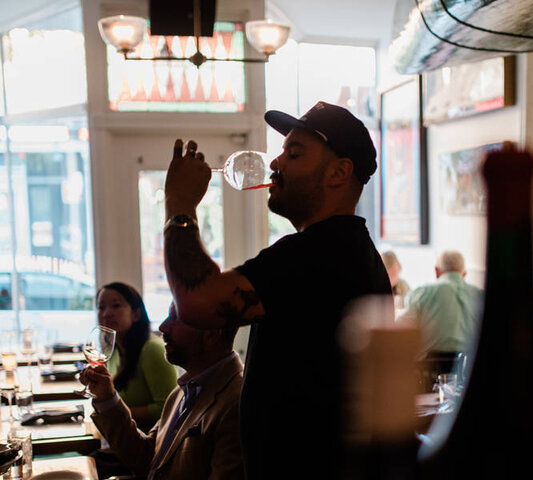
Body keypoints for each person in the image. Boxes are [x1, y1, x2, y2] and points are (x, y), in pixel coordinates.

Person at [163, 101, 392, 479]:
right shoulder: (350, 250)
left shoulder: (319, 253)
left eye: (294, 154)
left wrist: (180, 205)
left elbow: (199, 301)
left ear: (339, 172)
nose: (275, 163)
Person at [81, 303, 244, 480]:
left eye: (176, 318)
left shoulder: (238, 404)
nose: (162, 327)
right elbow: (146, 457)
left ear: (211, 334)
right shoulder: (185, 389)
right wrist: (107, 398)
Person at [96, 282, 177, 432]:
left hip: (150, 439)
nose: (106, 314)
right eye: (101, 307)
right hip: (123, 434)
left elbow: (168, 409)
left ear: (136, 314)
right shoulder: (113, 350)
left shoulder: (152, 349)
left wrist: (112, 413)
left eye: (116, 305)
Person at [397, 251, 483, 361]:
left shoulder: (421, 293)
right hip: (467, 366)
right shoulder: (480, 295)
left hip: (427, 367)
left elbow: (400, 329)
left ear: (437, 271)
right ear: (464, 274)